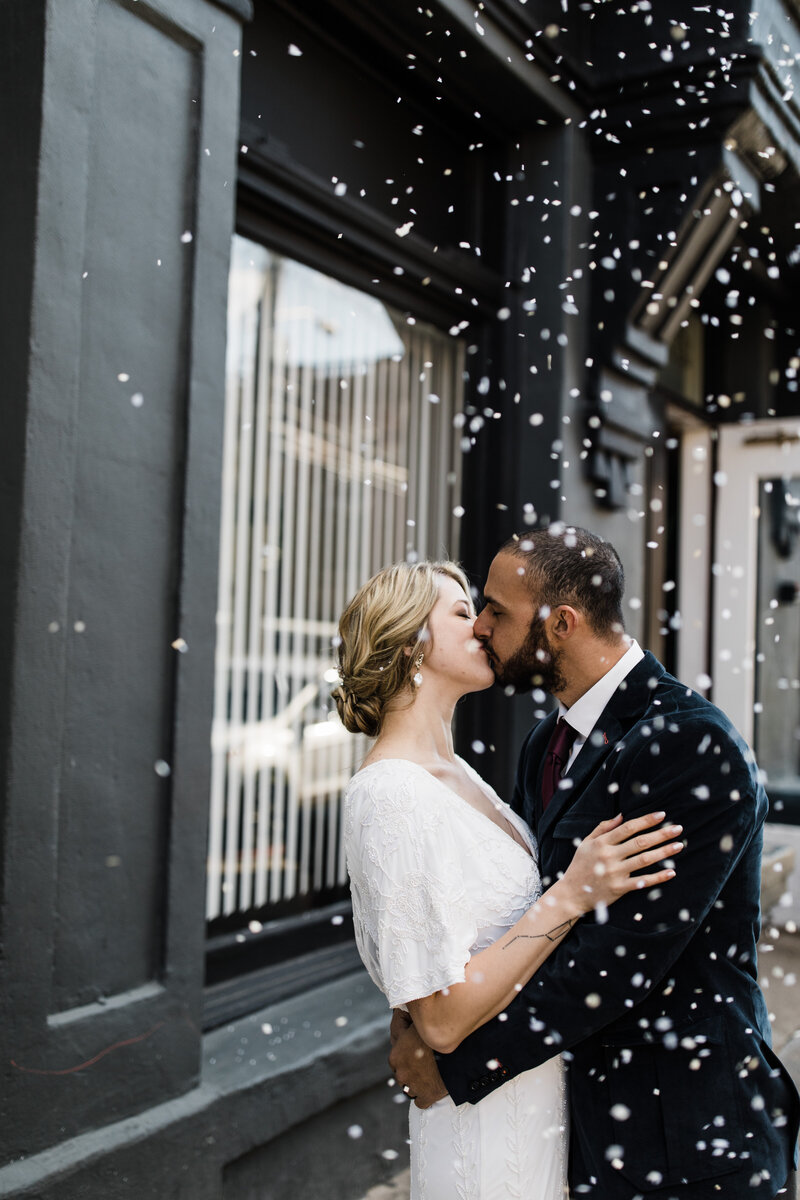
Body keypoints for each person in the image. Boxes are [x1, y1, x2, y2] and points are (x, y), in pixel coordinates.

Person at [389, 526, 800, 1200]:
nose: (483, 626)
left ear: (561, 624)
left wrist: (457, 1064)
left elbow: (618, 961)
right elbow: (522, 910)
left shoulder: (690, 745)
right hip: (582, 1122)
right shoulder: (546, 741)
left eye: (497, 611)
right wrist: (420, 1011)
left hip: (689, 1138)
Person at [335, 559, 683, 1200]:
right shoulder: (389, 795)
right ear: (413, 642)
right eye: (465, 614)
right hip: (483, 1130)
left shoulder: (464, 775)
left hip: (541, 1097)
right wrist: (571, 895)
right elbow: (439, 1020)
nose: (486, 628)